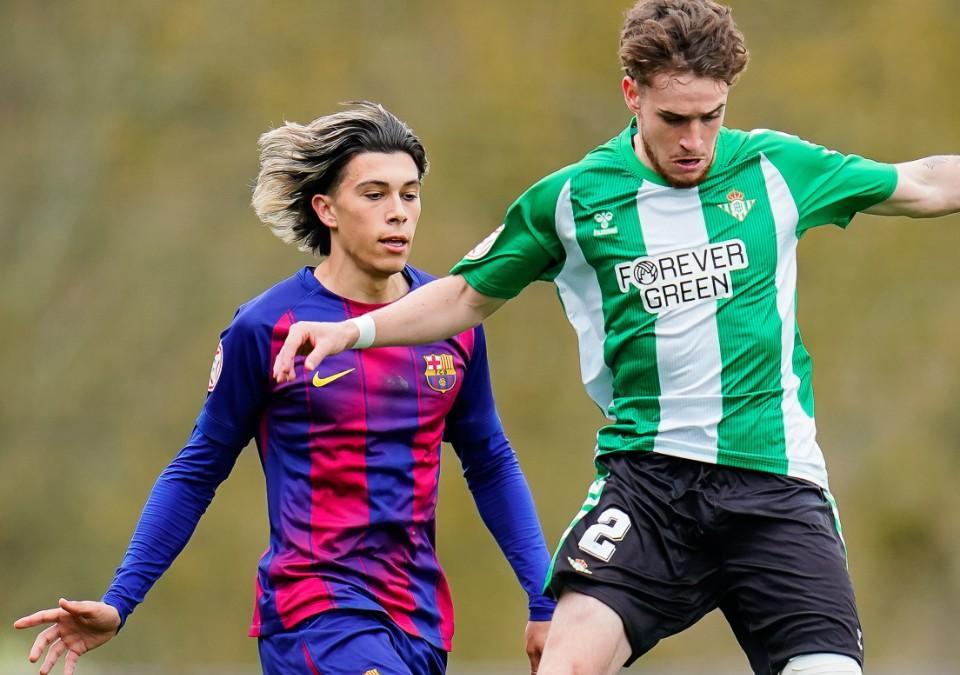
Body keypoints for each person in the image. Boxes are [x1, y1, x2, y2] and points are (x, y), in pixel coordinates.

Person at [268, 2, 960, 674]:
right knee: (564, 660)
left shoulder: (774, 168)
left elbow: (921, 182)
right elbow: (465, 296)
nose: (695, 139)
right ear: (632, 95)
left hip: (776, 489)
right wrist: (356, 333)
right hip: (649, 487)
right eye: (674, 119)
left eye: (711, 116)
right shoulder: (573, 199)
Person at [13, 103, 555, 675]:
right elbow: (198, 468)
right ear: (326, 209)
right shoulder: (266, 327)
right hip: (312, 613)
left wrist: (544, 599)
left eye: (410, 194)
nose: (398, 212)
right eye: (374, 194)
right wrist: (121, 600)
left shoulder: (450, 323)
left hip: (419, 621)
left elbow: (490, 461)